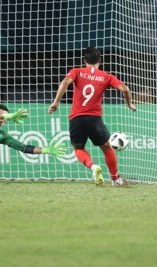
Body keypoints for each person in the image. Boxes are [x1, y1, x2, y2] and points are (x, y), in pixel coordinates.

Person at [48, 47, 136, 187]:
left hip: (76, 119)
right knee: (107, 148)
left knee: (78, 149)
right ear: (100, 61)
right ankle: (115, 180)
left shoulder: (77, 71)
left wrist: (56, 102)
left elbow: (65, 82)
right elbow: (125, 89)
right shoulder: (106, 76)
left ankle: (93, 167)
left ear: (84, 60)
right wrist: (129, 104)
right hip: (94, 119)